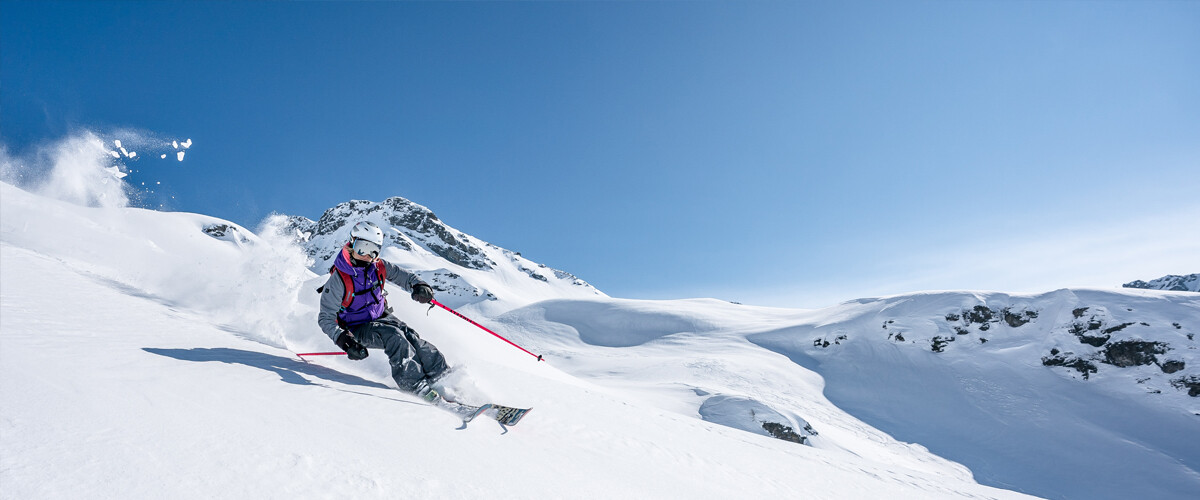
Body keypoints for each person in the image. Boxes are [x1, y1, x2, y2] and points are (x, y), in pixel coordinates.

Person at [317, 221, 448, 401]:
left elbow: (406, 277)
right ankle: (415, 385)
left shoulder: (379, 266)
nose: (368, 255)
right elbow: (325, 317)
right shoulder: (339, 278)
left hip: (381, 316)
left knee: (412, 337)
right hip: (356, 328)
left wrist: (419, 285)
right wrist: (345, 341)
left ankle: (442, 377)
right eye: (363, 248)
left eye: (374, 250)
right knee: (395, 337)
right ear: (351, 244)